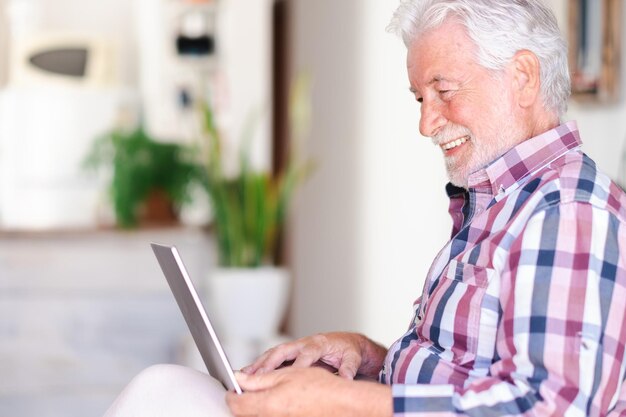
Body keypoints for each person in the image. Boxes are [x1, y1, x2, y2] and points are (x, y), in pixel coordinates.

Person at [103, 0, 626, 416]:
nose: (427, 123)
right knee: (163, 391)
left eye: (443, 90)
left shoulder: (571, 213)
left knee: (163, 398)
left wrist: (346, 405)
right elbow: (464, 370)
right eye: (420, 99)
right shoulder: (497, 205)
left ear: (523, 77)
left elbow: (553, 408)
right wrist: (368, 356)